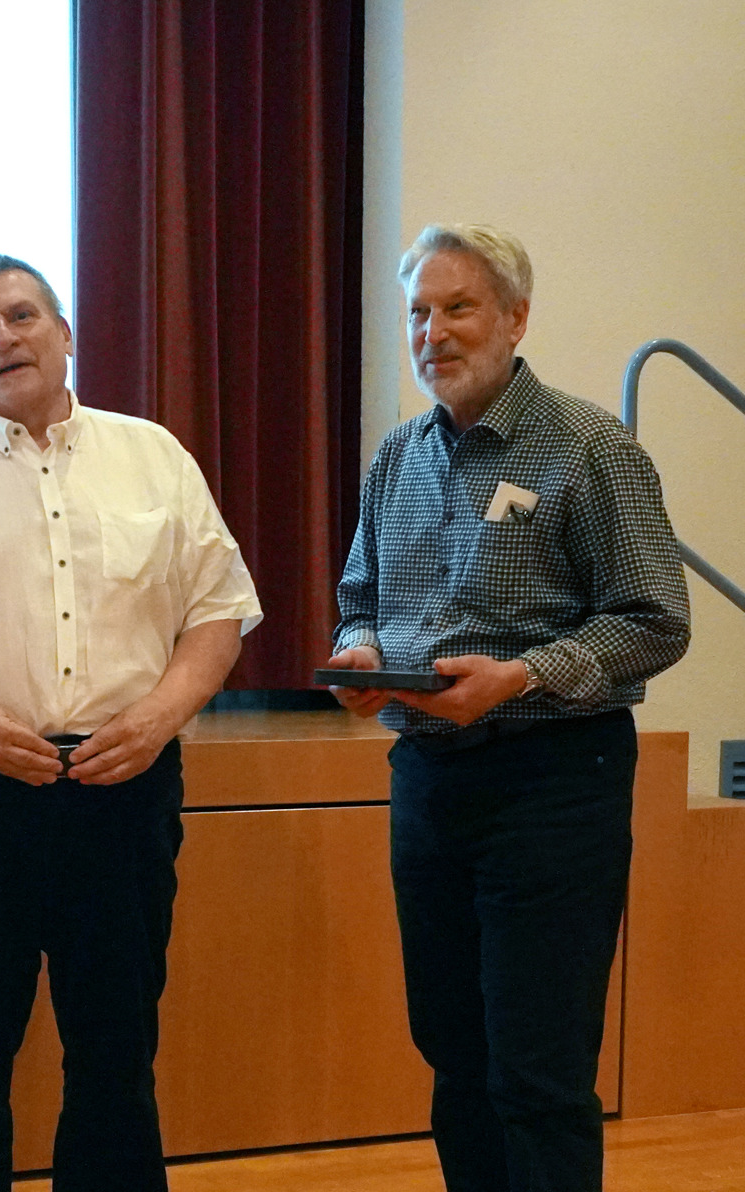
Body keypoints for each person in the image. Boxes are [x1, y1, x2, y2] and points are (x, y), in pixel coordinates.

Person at [0, 255, 262, 1192]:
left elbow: (217, 614)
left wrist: (159, 718)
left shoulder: (155, 457)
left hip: (123, 787)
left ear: (64, 333)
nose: (2, 338)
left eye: (21, 316)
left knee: (117, 1050)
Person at [325, 223, 690, 1191]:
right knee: (455, 1055)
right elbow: (360, 600)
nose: (432, 332)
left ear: (516, 318)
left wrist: (522, 675)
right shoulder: (396, 458)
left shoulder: (590, 447)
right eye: (418, 313)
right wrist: (360, 654)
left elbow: (657, 620)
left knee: (538, 1070)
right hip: (428, 781)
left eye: (458, 308)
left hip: (553, 784)